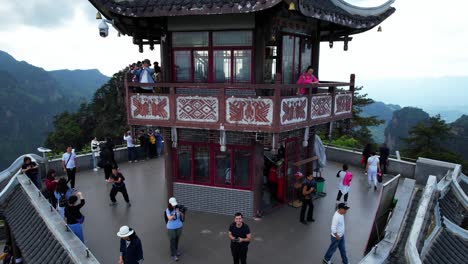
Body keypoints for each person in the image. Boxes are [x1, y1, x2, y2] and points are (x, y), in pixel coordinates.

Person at [166, 197, 184, 262]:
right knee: (172, 240)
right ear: (170, 204)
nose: (174, 205)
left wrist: (182, 212)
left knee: (177, 239)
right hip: (171, 228)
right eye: (173, 204)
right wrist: (175, 214)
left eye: (174, 204)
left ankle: (176, 250)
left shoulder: (177, 208)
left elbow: (182, 218)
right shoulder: (168, 210)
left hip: (179, 226)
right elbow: (169, 218)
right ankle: (173, 254)